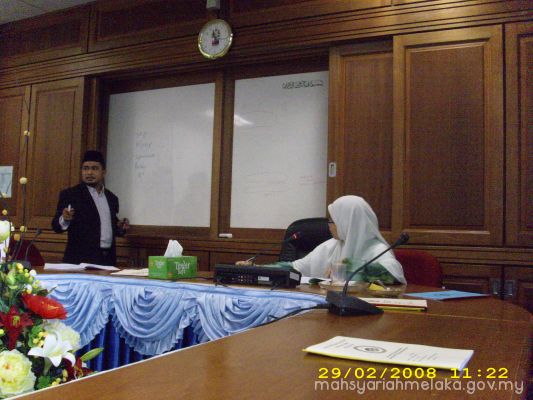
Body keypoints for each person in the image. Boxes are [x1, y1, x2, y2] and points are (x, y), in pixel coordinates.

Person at [292, 195, 406, 283]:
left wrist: (347, 267)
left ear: (348, 223)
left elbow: (393, 273)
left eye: (332, 220)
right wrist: (282, 269)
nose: (328, 225)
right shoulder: (331, 245)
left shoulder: (377, 249)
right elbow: (297, 267)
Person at [51, 150, 129, 265]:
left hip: (107, 260)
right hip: (80, 261)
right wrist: (64, 219)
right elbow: (56, 226)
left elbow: (107, 226)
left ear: (103, 172)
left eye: (94, 168)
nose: (89, 172)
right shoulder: (71, 195)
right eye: (85, 168)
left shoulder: (112, 198)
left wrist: (120, 227)